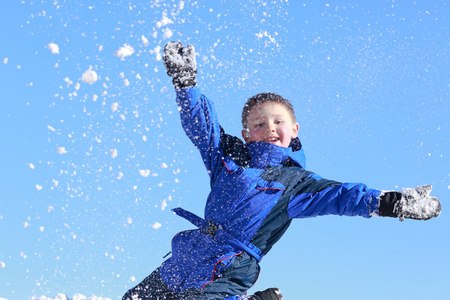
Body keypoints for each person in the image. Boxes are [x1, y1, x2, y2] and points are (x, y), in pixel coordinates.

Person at [122, 42, 442, 300]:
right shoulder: (229, 157)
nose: (270, 128)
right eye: (259, 124)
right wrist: (186, 84)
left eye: (278, 122)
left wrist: (393, 202)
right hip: (188, 254)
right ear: (247, 133)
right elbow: (200, 126)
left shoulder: (296, 183)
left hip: (231, 264)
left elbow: (343, 195)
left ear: (295, 129)